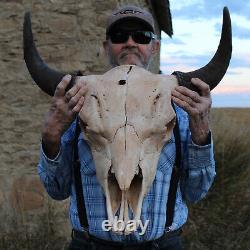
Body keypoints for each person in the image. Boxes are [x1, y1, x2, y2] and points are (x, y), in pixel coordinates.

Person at [38, 5, 215, 250]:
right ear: (105, 47)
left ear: (155, 47)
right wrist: (51, 138)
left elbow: (196, 192)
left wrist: (201, 135)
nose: (130, 43)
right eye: (120, 36)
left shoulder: (181, 110)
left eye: (141, 36)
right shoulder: (78, 107)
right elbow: (56, 190)